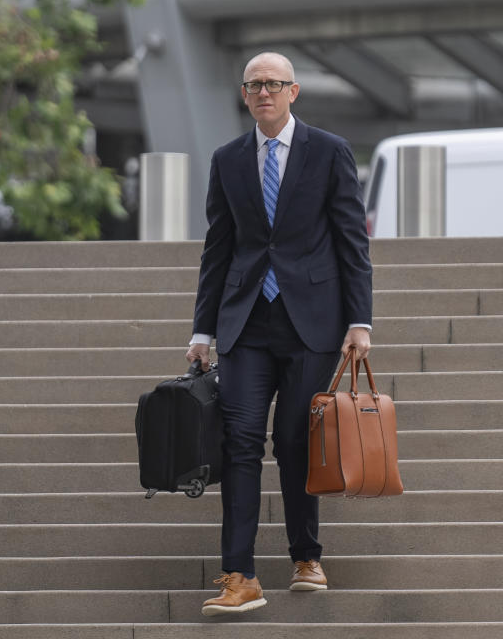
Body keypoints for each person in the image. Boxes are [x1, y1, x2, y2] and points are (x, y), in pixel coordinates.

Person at [185, 51, 373, 616]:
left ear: (294, 92)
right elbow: (218, 247)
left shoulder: (331, 151)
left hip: (311, 321)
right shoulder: (228, 159)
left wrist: (359, 321)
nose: (264, 92)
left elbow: (351, 242)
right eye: (254, 85)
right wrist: (202, 329)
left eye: (274, 84)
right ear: (245, 95)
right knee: (239, 442)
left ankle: (305, 556)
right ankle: (239, 576)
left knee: (293, 441)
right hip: (245, 322)